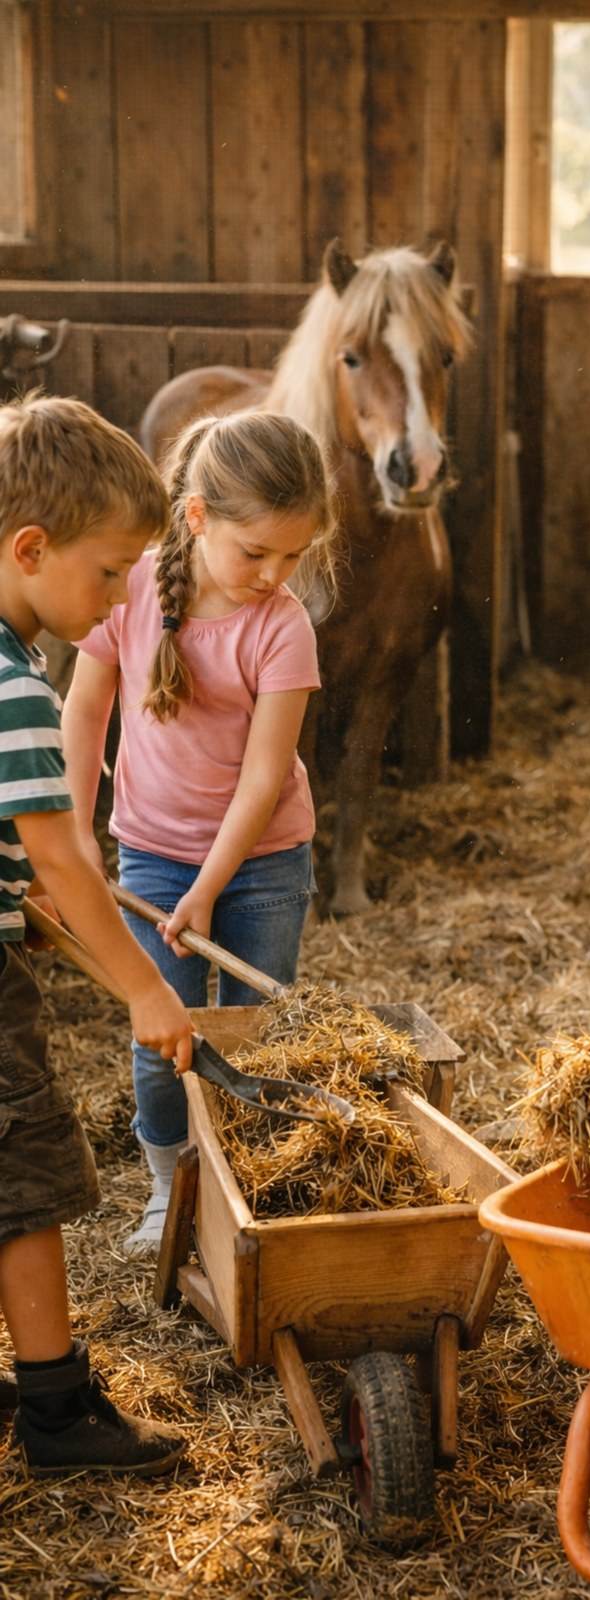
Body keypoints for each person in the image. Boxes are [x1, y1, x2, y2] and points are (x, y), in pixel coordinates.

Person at [62, 410, 337, 1257]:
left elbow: (265, 778)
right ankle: (165, 1188)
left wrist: (210, 888)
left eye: (293, 555)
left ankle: (243, 1196)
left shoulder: (283, 624)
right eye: (256, 552)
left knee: (254, 1032)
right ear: (197, 518)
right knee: (163, 1036)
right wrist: (73, 840)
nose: (275, 574)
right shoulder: (134, 586)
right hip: (149, 851)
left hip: (262, 863)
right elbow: (84, 709)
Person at [0, 392, 193, 1474]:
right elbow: (67, 858)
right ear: (32, 547)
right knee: (25, 1179)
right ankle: (58, 1409)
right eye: (111, 570)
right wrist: (146, 991)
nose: (122, 597)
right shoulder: (20, 687)